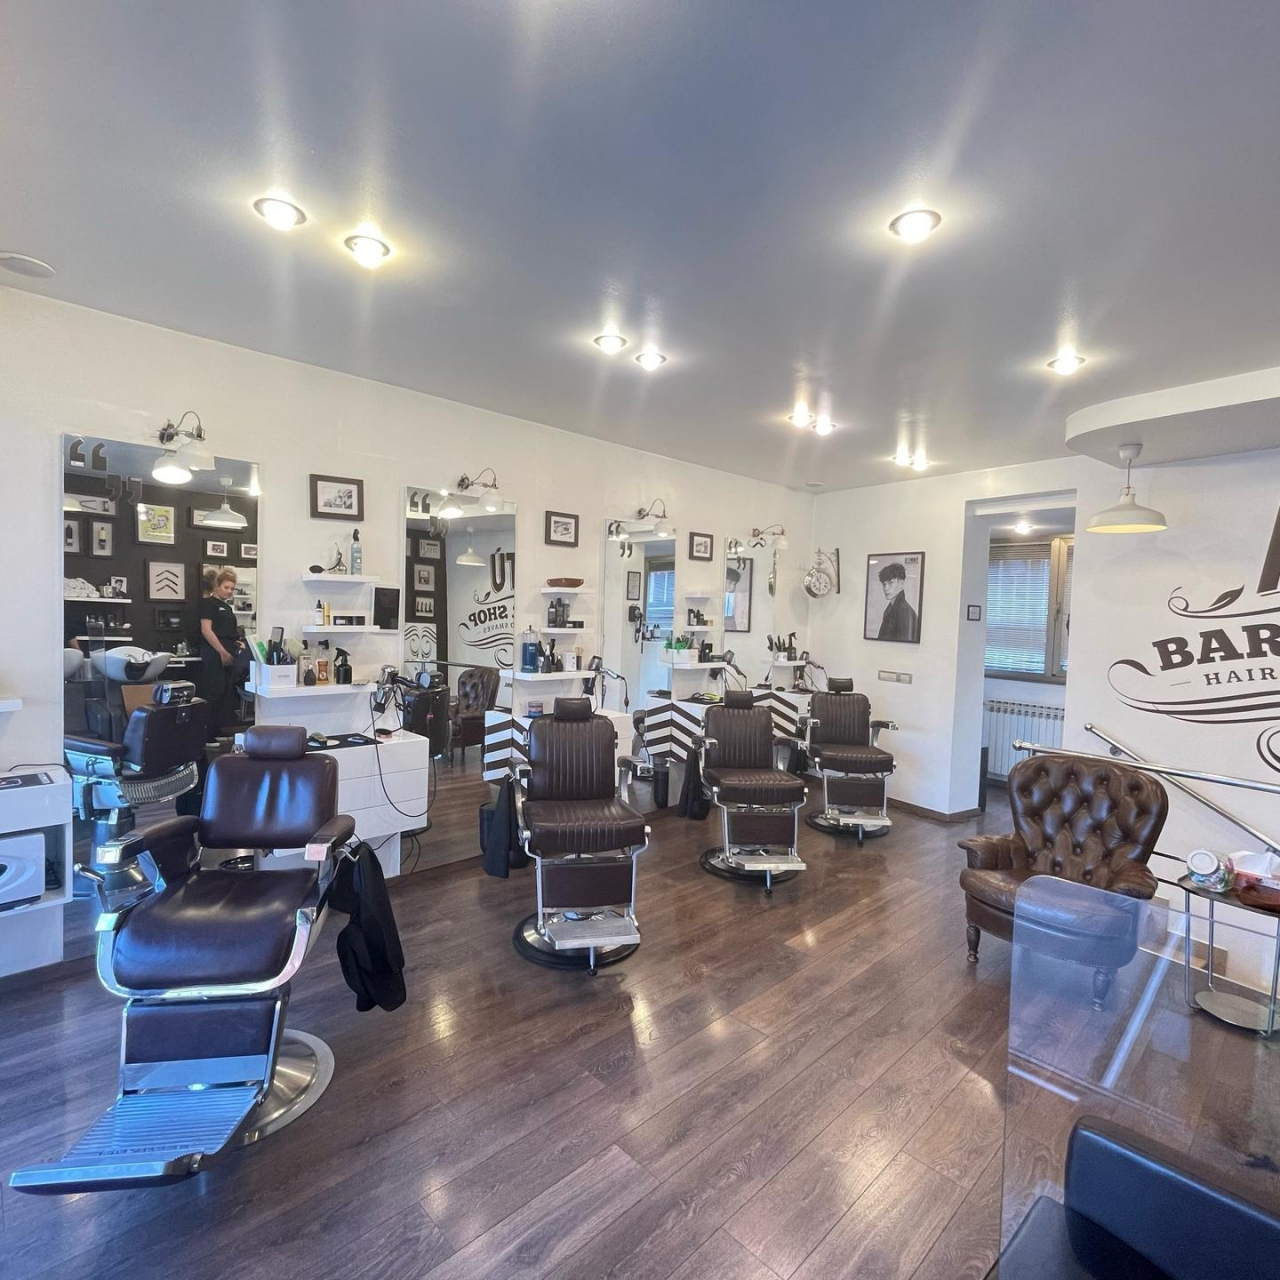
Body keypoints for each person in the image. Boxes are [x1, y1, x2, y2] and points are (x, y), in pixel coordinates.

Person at [198, 568, 243, 727]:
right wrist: (222, 652)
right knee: (215, 691)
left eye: (232, 588)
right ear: (217, 586)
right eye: (226, 587)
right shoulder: (208, 604)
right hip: (213, 652)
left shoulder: (228, 608)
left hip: (228, 651)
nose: (229, 591)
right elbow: (206, 630)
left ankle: (220, 728)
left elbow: (229, 632)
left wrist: (238, 642)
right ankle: (208, 732)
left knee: (226, 692)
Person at [877, 562, 919, 642]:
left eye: (890, 583)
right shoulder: (890, 610)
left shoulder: (904, 611)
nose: (886, 588)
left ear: (901, 583)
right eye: (884, 584)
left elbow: (903, 646)